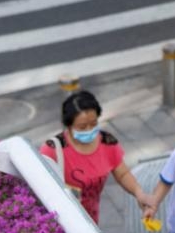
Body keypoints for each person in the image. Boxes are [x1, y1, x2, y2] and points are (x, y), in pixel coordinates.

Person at [40, 90, 152, 225]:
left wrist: (139, 193)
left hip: (91, 221)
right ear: (69, 126)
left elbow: (122, 174)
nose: (88, 130)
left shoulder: (107, 142)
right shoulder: (53, 149)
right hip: (60, 222)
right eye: (82, 127)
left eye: (93, 124)